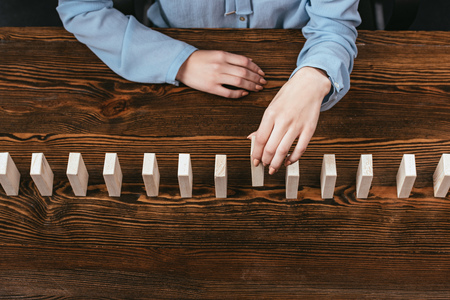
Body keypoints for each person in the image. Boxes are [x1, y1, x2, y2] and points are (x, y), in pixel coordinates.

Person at [57, 0, 360, 175]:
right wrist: (179, 61)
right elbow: (82, 9)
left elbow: (335, 24)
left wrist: (316, 74)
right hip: (166, 66)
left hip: (292, 54)